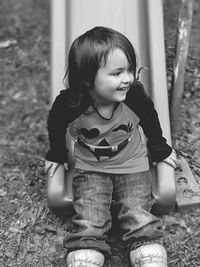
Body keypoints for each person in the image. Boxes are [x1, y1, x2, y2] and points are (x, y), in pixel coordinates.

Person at [45, 26, 177, 267]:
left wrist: (159, 149)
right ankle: (86, 249)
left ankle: (146, 247)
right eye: (116, 73)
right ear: (87, 79)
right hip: (91, 167)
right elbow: (55, 124)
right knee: (89, 214)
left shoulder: (134, 95)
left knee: (137, 210)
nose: (127, 78)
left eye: (129, 70)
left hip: (132, 163)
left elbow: (149, 118)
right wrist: (57, 153)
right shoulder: (71, 103)